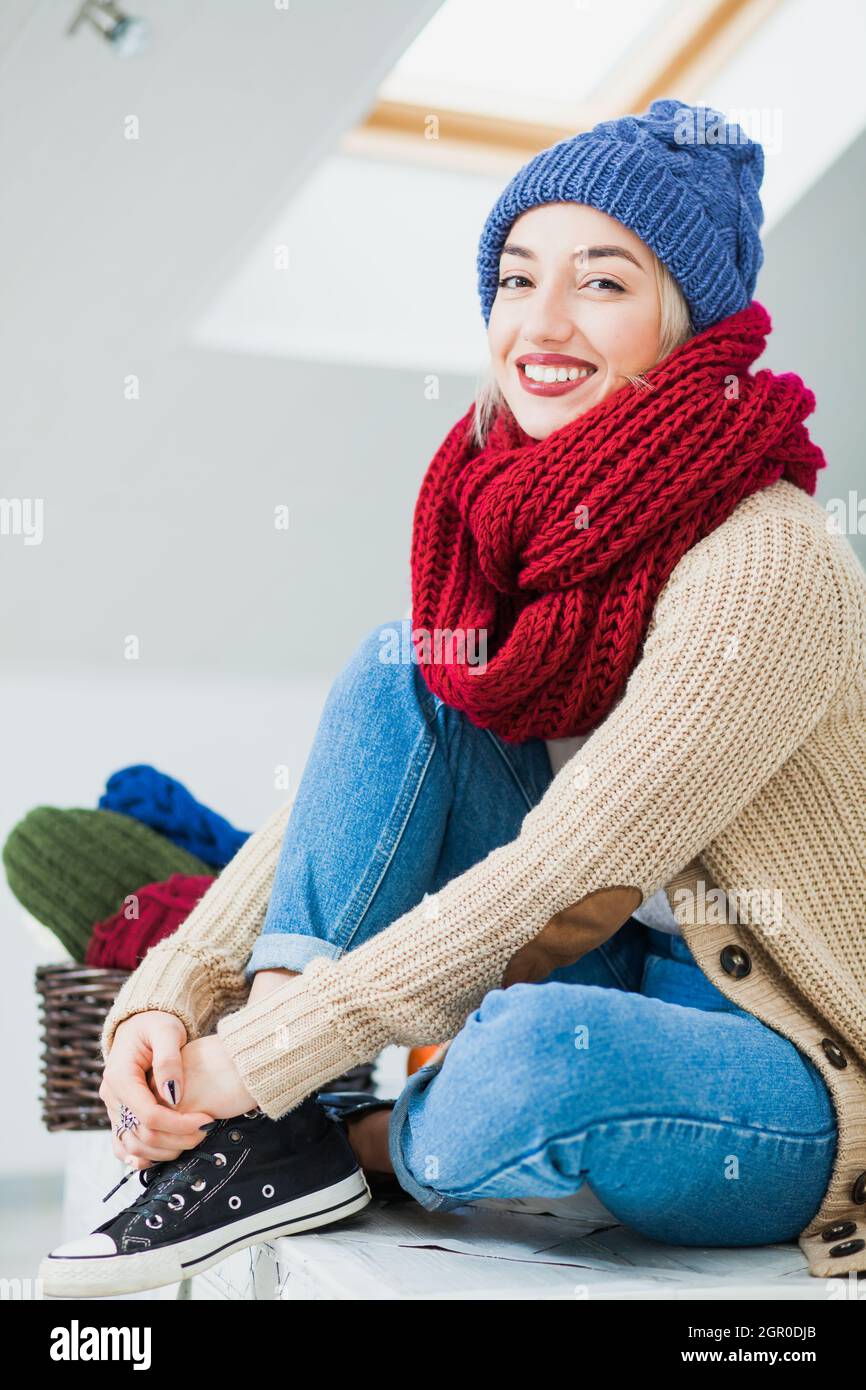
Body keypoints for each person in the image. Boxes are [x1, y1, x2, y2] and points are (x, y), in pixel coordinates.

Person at [40, 98, 866, 1299]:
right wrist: (177, 990)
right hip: (601, 987)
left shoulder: (767, 559)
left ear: (688, 326)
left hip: (784, 1070)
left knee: (529, 1061)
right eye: (515, 278)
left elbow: (570, 868)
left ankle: (346, 1136)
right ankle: (287, 1126)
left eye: (600, 283)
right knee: (397, 667)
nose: (539, 324)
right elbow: (354, 791)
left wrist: (245, 1061)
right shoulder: (514, 522)